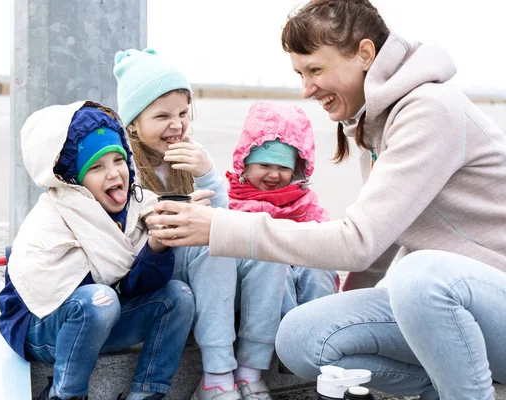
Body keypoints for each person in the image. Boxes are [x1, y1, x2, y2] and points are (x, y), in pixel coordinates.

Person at [146, 1, 506, 398]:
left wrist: (221, 226)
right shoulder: (375, 124)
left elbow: (358, 242)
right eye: (300, 73)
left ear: (365, 54)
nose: (306, 88)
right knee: (302, 335)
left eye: (315, 69)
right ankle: (446, 380)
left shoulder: (430, 111)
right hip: (454, 311)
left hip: (488, 299)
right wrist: (342, 309)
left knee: (418, 275)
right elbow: (381, 244)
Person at [0, 101, 195, 400]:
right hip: (43, 328)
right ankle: (65, 394)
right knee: (99, 300)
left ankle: (146, 393)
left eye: (118, 160)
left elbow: (132, 287)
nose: (115, 173)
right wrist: (123, 281)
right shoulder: (54, 217)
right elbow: (97, 294)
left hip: (102, 320)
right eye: (97, 167)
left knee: (178, 297)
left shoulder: (137, 206)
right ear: (74, 179)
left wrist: (156, 247)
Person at [114, 48, 281, 400]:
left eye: (182, 113)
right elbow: (141, 230)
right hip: (156, 276)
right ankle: (217, 376)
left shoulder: (191, 154)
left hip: (205, 275)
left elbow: (223, 213)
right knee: (211, 239)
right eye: (161, 116)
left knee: (262, 242)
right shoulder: (122, 165)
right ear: (132, 122)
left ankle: (250, 371)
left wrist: (207, 175)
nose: (176, 125)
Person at [226, 100, 338, 319]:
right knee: (275, 268)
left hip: (300, 267)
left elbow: (327, 237)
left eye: (283, 168)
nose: (274, 175)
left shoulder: (304, 202)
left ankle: (317, 325)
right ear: (246, 165)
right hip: (253, 289)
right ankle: (281, 333)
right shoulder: (233, 201)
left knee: (318, 269)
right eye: (265, 166)